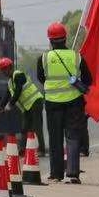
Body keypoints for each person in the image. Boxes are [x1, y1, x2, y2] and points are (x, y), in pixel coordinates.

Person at [37, 22, 93, 184]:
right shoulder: (76, 57)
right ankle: (73, 173)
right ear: (65, 38)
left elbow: (41, 78)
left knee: (55, 139)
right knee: (73, 137)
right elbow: (88, 80)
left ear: (50, 40)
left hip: (53, 103)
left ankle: (56, 174)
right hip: (74, 103)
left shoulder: (44, 58)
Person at [0, 56, 46, 156]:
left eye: (5, 69)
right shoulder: (10, 82)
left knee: (37, 126)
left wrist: (10, 104)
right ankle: (22, 150)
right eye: (2, 70)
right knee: (24, 128)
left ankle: (42, 150)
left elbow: (18, 90)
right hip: (27, 106)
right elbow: (6, 96)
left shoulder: (18, 75)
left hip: (35, 101)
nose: (4, 72)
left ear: (10, 68)